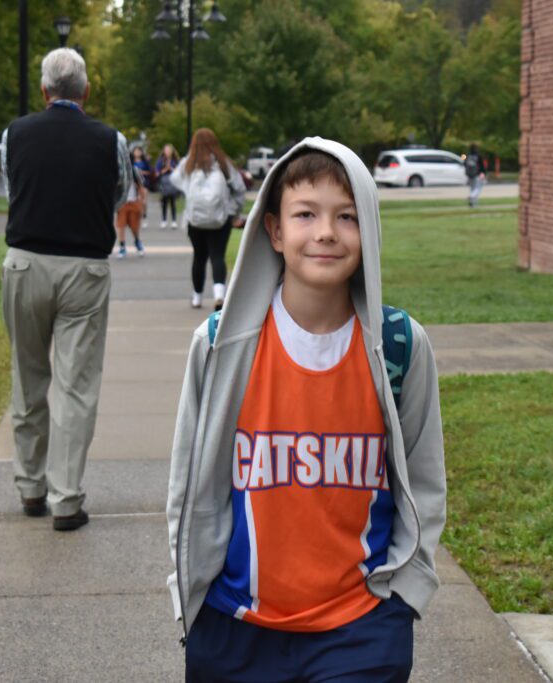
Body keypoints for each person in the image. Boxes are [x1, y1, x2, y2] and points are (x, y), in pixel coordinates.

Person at [166, 138, 447, 682]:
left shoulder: (399, 345)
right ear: (274, 230)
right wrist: (188, 596)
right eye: (305, 214)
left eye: (346, 216)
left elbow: (426, 478)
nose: (325, 232)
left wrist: (406, 595)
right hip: (235, 627)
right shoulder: (221, 344)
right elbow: (187, 483)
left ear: (369, 229)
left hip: (362, 628)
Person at [0, 48, 133, 532]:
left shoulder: (14, 134)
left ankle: (30, 487)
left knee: (28, 377)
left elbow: (13, 189)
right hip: (85, 267)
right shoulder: (110, 139)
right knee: (76, 387)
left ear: (43, 90)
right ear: (86, 91)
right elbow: (121, 193)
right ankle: (66, 498)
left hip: (26, 262)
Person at [170, 129, 245, 310]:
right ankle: (219, 295)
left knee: (199, 256)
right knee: (217, 255)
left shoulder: (188, 164)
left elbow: (174, 180)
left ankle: (197, 297)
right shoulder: (223, 163)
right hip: (221, 218)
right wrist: (234, 211)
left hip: (194, 220)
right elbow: (239, 188)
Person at [115, 163, 146, 258]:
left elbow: (141, 186)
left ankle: (137, 240)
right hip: (122, 203)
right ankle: (122, 246)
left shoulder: (134, 171)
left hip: (133, 202)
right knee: (121, 226)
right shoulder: (118, 171)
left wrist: (143, 200)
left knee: (134, 227)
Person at [154, 143, 180, 229]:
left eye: (169, 150)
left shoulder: (175, 160)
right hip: (164, 184)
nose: (168, 151)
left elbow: (179, 172)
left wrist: (171, 169)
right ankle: (164, 220)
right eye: (166, 150)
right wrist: (165, 170)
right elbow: (157, 173)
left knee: (172, 202)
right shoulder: (160, 161)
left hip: (173, 183)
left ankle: (174, 221)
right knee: (164, 202)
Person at [131, 146, 154, 229]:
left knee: (143, 201)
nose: (137, 153)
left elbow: (150, 172)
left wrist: (141, 172)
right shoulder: (131, 161)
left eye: (138, 151)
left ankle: (144, 216)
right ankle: (136, 218)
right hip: (134, 184)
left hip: (144, 183)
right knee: (136, 201)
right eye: (135, 151)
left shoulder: (145, 162)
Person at [465, 143, 486, 208]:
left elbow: (463, 161)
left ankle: (473, 204)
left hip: (469, 174)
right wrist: (483, 173)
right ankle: (472, 197)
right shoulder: (479, 156)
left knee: (472, 188)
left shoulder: (467, 155)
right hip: (477, 174)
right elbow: (482, 166)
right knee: (478, 188)